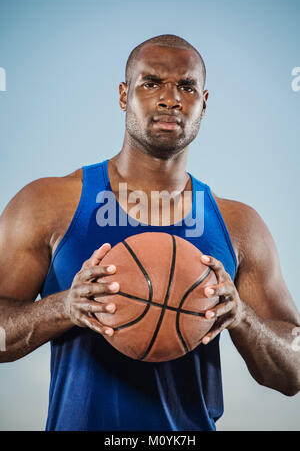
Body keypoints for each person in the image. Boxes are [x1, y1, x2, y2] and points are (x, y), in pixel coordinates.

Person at [0, 34, 299, 431]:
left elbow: (292, 371)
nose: (170, 98)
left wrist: (242, 318)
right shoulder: (47, 204)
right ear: (124, 95)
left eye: (187, 86)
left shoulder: (240, 226)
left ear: (203, 104)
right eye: (151, 82)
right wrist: (63, 308)